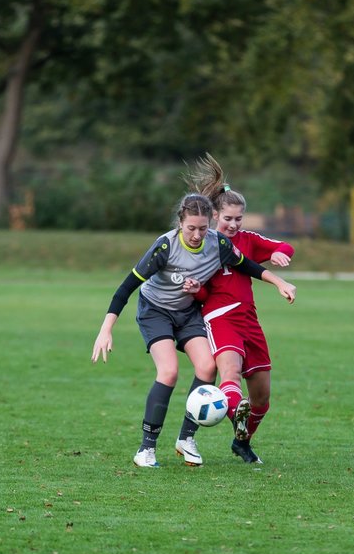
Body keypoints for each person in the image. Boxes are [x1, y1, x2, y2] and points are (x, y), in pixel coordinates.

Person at [91, 192, 296, 469]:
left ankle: (186, 439)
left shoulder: (218, 242)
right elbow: (126, 288)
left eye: (202, 228)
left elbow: (248, 266)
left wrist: (279, 282)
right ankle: (146, 448)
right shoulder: (165, 247)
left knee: (208, 368)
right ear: (180, 223)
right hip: (156, 311)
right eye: (191, 228)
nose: (197, 235)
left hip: (188, 313)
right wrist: (106, 329)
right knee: (169, 371)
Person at [181, 154, 295, 464]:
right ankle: (230, 409)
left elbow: (285, 246)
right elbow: (204, 291)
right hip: (220, 318)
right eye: (227, 219)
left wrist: (279, 256)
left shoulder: (248, 240)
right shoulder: (203, 244)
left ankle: (241, 441)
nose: (233, 225)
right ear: (215, 215)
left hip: (249, 321)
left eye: (238, 219)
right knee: (229, 373)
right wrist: (195, 290)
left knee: (261, 397)